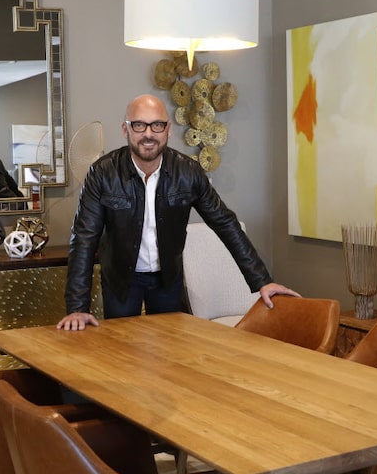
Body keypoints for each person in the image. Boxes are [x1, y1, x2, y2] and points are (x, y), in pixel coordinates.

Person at [57, 94, 299, 331]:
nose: (149, 134)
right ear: (125, 129)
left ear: (168, 129)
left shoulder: (188, 172)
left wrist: (262, 282)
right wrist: (78, 307)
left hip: (168, 279)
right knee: (120, 347)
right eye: (139, 125)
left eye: (157, 125)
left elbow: (225, 223)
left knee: (169, 349)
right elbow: (84, 238)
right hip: (121, 279)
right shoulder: (102, 173)